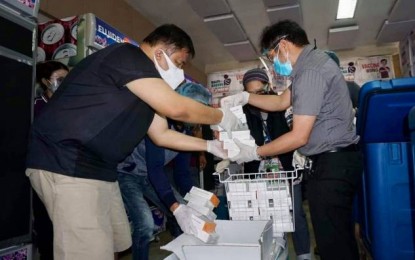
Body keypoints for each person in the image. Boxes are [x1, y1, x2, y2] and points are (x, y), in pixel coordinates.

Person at [25, 24, 241, 260]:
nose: (179, 72)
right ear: (160, 53)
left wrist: (209, 146)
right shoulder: (127, 56)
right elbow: (176, 108)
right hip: (67, 162)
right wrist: (221, 116)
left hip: (101, 169)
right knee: (87, 251)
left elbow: (162, 135)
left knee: (119, 240)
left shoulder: (144, 90)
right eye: (179, 63)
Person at [221, 20, 363, 259]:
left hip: (332, 165)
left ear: (284, 45)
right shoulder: (309, 67)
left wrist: (256, 152)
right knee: (338, 236)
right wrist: (245, 98)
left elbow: (299, 135)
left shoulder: (310, 71)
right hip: (334, 162)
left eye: (272, 54)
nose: (273, 62)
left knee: (333, 244)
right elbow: (279, 102)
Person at [117, 82, 211, 260]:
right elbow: (155, 169)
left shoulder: (187, 134)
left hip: (149, 175)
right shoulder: (158, 122)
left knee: (184, 213)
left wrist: (195, 202)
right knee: (145, 224)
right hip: (127, 174)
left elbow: (182, 174)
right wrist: (176, 207)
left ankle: (183, 254)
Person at [241, 68, 311, 260]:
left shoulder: (284, 107)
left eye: (260, 92)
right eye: (251, 94)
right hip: (259, 173)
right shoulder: (243, 113)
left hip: (287, 169)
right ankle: (276, 251)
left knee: (295, 214)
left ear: (268, 87)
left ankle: (304, 254)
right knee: (267, 217)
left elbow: (298, 134)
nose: (256, 98)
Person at [32, 61, 69, 260]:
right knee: (46, 224)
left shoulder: (71, 106)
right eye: (60, 79)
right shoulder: (37, 107)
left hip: (67, 174)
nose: (65, 83)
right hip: (43, 172)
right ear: (46, 82)